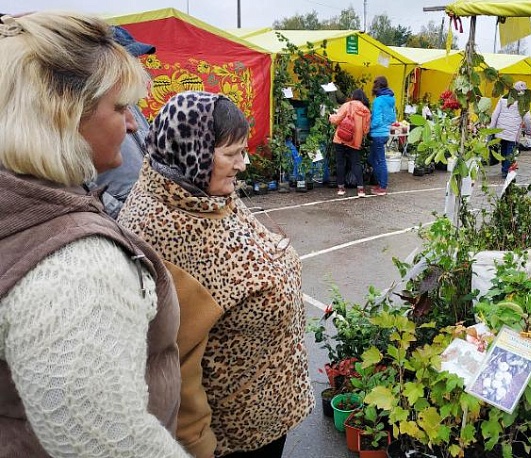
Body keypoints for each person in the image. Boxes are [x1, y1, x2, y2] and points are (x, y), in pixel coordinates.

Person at [0, 12, 187, 457]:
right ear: (62, 114)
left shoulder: (31, 207)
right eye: (120, 108)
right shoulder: (74, 265)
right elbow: (111, 443)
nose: (133, 126)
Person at [118, 91, 314, 458]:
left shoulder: (201, 191)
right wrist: (199, 447)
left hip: (264, 412)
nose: (243, 164)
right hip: (232, 436)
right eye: (232, 153)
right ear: (192, 151)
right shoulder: (163, 229)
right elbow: (171, 360)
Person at [86, 26, 156, 219]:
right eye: (130, 58)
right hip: (120, 213)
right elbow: (77, 179)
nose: (136, 64)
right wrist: (118, 209)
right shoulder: (86, 111)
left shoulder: (131, 105)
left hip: (145, 206)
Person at [330, 88, 371, 197]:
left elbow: (336, 120)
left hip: (340, 138)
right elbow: (366, 130)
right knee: (356, 164)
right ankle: (361, 190)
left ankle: (341, 189)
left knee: (340, 163)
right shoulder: (365, 110)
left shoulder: (346, 105)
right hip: (355, 141)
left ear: (353, 96)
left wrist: (331, 117)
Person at [489, 80, 531, 178]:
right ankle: (506, 170)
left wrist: (491, 128)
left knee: (504, 148)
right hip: (514, 133)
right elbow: (528, 119)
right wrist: (529, 131)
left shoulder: (503, 98)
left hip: (500, 130)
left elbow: (495, 114)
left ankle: (504, 167)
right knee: (510, 150)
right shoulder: (524, 102)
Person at [369, 75, 397, 196]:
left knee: (380, 161)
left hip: (377, 134)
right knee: (373, 159)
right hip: (385, 132)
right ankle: (379, 183)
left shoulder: (378, 101)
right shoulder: (391, 99)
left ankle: (382, 186)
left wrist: (368, 126)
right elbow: (393, 118)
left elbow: (376, 120)